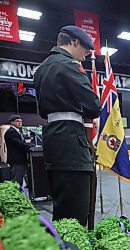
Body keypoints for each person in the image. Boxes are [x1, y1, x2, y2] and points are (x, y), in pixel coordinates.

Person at [34, 25, 100, 226]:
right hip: (71, 142)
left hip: (53, 138)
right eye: (85, 50)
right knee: (75, 214)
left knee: (62, 206)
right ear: (74, 42)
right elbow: (93, 106)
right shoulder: (69, 65)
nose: (85, 56)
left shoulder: (41, 68)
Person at [3, 115, 33, 185]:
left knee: (23, 180)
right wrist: (32, 145)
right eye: (17, 121)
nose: (20, 123)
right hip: (17, 160)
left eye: (21, 121)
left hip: (21, 160)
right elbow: (20, 144)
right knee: (17, 181)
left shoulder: (17, 131)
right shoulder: (11, 132)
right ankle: (16, 195)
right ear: (11, 122)